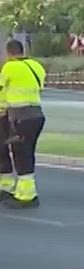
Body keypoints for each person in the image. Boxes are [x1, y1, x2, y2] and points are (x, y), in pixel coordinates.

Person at [0, 40, 46, 209]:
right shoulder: (36, 66)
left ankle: (27, 196)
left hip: (20, 117)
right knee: (27, 153)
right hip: (37, 116)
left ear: (9, 53)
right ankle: (20, 190)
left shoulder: (10, 67)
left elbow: (1, 89)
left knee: (21, 155)